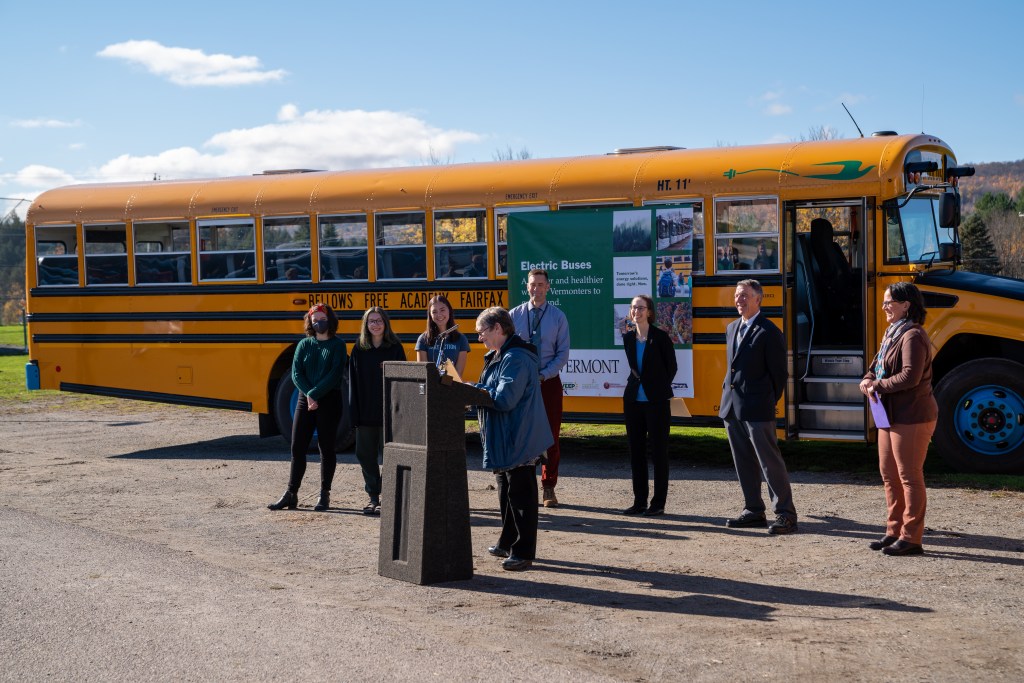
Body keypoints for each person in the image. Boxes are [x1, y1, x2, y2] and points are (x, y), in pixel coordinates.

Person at [470, 307, 554, 571]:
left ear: (498, 328)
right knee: (507, 493)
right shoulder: (499, 355)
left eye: (482, 332)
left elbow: (505, 399)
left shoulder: (515, 357)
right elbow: (493, 390)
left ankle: (523, 551)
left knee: (521, 496)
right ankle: (507, 542)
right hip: (506, 436)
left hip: (519, 437)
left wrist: (472, 391)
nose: (480, 337)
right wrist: (474, 390)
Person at [859, 282, 937, 556]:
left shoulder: (913, 335)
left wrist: (876, 385)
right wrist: (868, 378)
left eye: (888, 302)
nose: (884, 307)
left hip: (912, 416)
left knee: (909, 477)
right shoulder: (893, 333)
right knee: (890, 476)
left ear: (906, 305)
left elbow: (909, 377)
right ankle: (894, 531)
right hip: (889, 416)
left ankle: (911, 538)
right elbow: (875, 367)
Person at [719, 279, 797, 534]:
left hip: (758, 408)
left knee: (769, 463)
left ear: (758, 299)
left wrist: (766, 401)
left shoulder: (769, 331)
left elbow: (779, 375)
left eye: (744, 295)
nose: (739, 300)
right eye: (737, 296)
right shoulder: (732, 328)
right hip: (732, 408)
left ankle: (785, 514)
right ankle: (753, 510)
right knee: (743, 462)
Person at [268, 304, 348, 512]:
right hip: (306, 400)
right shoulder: (304, 344)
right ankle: (291, 493)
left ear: (330, 320)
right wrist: (309, 394)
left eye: (322, 319)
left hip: (329, 400)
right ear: (310, 322)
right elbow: (296, 373)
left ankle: (324, 494)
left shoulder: (338, 345)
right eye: (315, 320)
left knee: (326, 448)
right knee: (297, 448)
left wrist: (314, 393)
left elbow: (335, 374)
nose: (318, 323)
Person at [509, 268, 570, 508]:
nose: (536, 289)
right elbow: (505, 349)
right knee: (521, 434)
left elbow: (562, 354)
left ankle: (548, 487)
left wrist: (543, 374)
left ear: (548, 287)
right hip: (521, 384)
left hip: (548, 383)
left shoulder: (558, 317)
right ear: (527, 287)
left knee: (550, 436)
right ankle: (523, 486)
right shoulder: (513, 316)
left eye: (540, 284)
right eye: (532, 284)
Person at [621, 294, 678, 516]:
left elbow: (671, 368)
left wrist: (657, 387)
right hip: (633, 402)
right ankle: (639, 501)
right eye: (634, 308)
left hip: (657, 403)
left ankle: (658, 503)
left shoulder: (661, 337)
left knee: (659, 453)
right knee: (636, 453)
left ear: (649, 312)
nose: (636, 311)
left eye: (641, 308)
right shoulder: (628, 338)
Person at [349, 306, 406, 516]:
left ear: (385, 323)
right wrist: (353, 413)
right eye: (371, 321)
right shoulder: (359, 348)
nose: (375, 324)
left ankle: (388, 497)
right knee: (365, 456)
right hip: (365, 413)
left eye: (379, 320)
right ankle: (373, 496)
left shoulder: (395, 348)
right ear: (366, 324)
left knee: (390, 457)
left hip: (389, 413)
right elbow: (352, 383)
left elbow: (403, 382)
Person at [415, 294, 469, 377]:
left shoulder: (461, 339)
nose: (439, 314)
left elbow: (458, 374)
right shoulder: (423, 339)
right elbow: (423, 373)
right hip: (430, 384)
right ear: (430, 315)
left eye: (442, 310)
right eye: (434, 312)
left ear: (449, 311)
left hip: (452, 384)